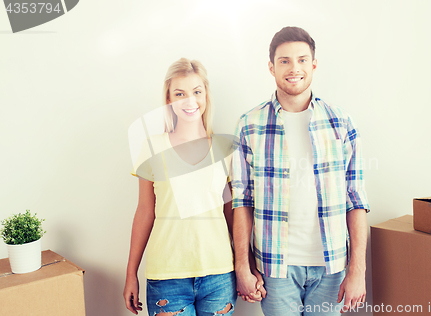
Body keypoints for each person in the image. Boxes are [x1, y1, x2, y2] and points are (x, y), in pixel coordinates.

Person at [231, 27, 370, 315]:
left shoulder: (340, 122)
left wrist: (358, 269)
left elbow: (355, 199)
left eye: (302, 60)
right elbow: (242, 200)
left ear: (314, 65)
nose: (294, 68)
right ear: (271, 67)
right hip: (275, 267)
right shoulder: (249, 124)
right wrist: (242, 267)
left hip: (332, 267)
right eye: (284, 61)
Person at [124, 58, 242, 316]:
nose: (190, 101)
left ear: (206, 95)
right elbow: (145, 211)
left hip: (219, 275)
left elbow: (233, 214)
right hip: (166, 277)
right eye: (180, 94)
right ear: (169, 98)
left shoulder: (226, 150)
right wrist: (131, 272)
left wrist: (247, 266)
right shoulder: (152, 146)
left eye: (197, 92)